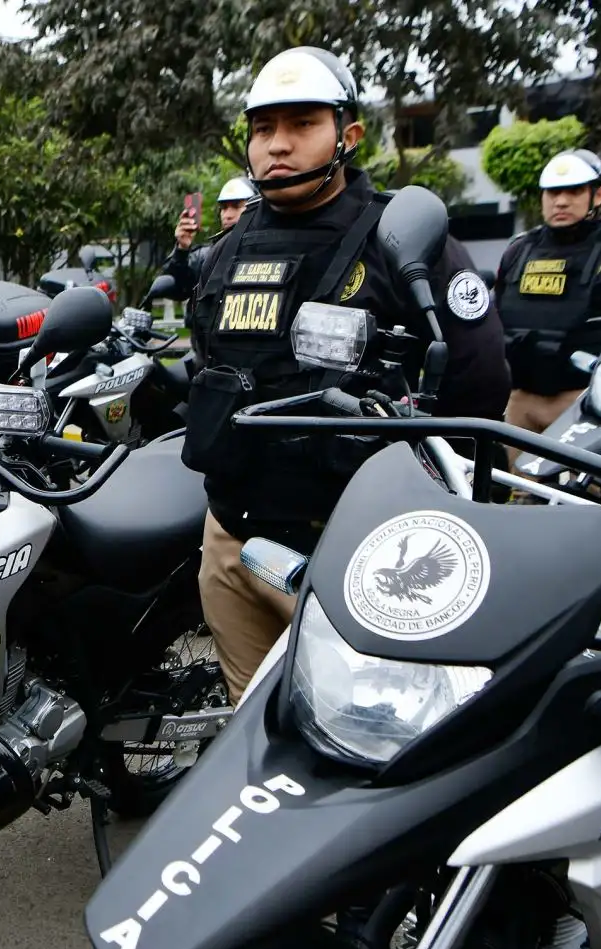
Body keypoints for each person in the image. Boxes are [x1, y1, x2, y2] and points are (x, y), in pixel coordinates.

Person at [182, 46, 509, 704]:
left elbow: (480, 381)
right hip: (232, 540)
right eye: (263, 128)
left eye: (302, 124)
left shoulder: (401, 239)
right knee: (249, 720)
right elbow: (209, 361)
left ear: (348, 135)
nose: (278, 145)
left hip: (361, 552)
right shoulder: (227, 250)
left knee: (367, 726)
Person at [495, 149, 601, 443]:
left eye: (573, 191)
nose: (561, 201)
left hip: (585, 403)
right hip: (520, 401)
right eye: (553, 192)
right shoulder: (518, 250)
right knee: (513, 475)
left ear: (598, 195)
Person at [163, 177, 257, 301]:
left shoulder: (268, 251)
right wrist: (182, 249)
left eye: (236, 206)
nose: (227, 215)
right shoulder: (207, 257)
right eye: (224, 208)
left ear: (255, 207)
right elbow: (178, 290)